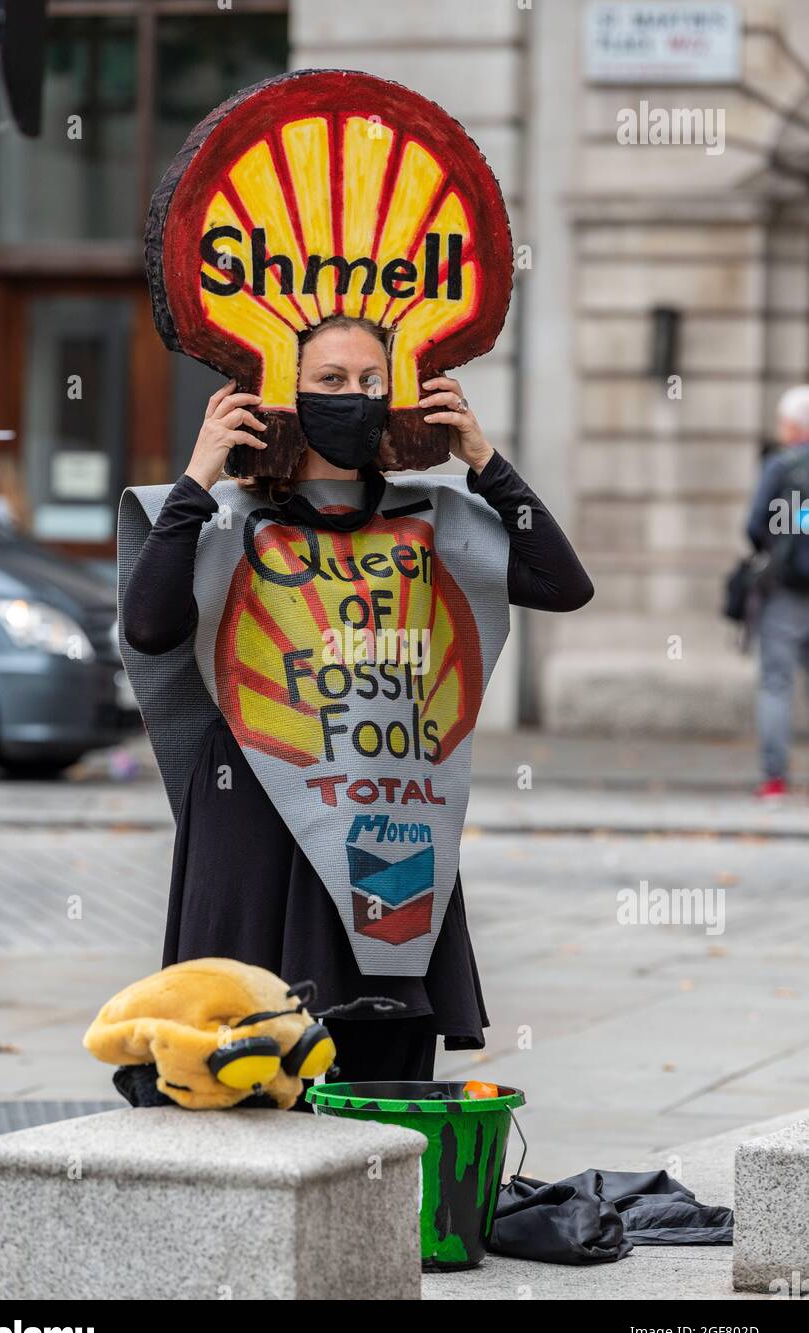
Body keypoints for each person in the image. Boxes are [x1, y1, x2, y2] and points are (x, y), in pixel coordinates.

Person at [121, 315, 593, 1103]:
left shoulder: (438, 515)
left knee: (383, 1057)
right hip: (259, 811)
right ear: (279, 395)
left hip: (388, 807)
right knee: (247, 1047)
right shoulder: (223, 514)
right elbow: (150, 624)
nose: (355, 397)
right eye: (331, 381)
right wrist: (198, 479)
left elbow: (562, 584)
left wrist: (483, 459)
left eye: (372, 381)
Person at [746, 385, 809, 799]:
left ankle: (774, 780)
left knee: (776, 683)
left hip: (787, 591)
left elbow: (753, 524)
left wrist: (774, 549)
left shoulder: (781, 467)